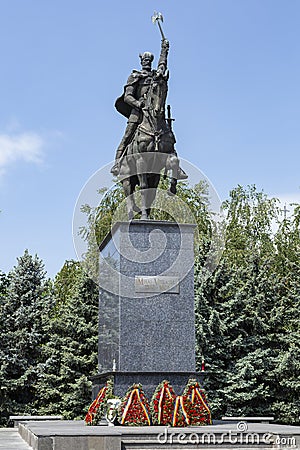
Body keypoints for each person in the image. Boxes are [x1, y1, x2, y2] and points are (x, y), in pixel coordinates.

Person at [111, 39, 187, 180]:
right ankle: (117, 163)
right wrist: (138, 104)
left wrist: (164, 50)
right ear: (141, 62)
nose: (146, 62)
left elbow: (162, 67)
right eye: (144, 60)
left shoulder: (154, 76)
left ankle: (177, 167)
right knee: (127, 137)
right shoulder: (134, 76)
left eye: (149, 60)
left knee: (169, 136)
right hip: (137, 112)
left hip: (154, 112)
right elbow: (127, 97)